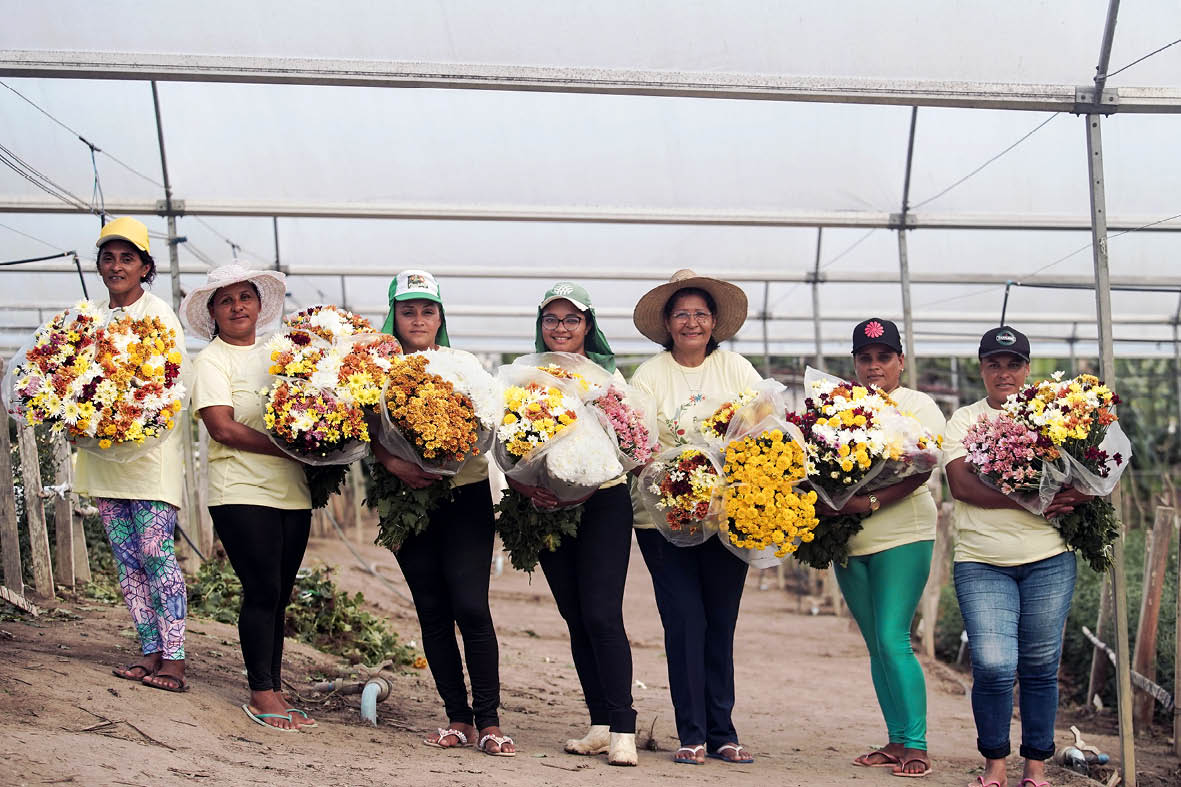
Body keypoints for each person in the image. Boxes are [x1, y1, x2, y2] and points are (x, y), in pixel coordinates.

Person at [372, 270, 516, 757]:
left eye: (427, 310)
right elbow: (359, 430)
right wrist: (394, 461)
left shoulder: (463, 364)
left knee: (472, 608)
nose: (418, 319)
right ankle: (458, 718)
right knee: (432, 611)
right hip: (404, 501)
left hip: (465, 495)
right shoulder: (374, 367)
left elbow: (489, 420)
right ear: (393, 314)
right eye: (407, 310)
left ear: (440, 316)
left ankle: (490, 719)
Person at [944, 326, 1091, 787]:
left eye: (1013, 364)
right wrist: (1033, 500)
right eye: (994, 364)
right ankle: (994, 764)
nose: (1003, 373)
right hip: (981, 559)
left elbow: (1093, 476)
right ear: (982, 369)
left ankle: (1036, 767)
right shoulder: (965, 421)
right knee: (991, 662)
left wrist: (1075, 493)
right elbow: (961, 485)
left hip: (1048, 556)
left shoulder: (1057, 415)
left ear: (1027, 369)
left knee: (1040, 664)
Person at [628, 269, 762, 766]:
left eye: (700, 314)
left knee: (720, 622)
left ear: (714, 322)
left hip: (728, 517)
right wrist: (677, 478)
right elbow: (638, 443)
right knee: (684, 620)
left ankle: (723, 731)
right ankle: (692, 733)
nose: (691, 322)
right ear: (667, 322)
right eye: (681, 314)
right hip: (663, 519)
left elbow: (763, 425)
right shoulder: (649, 375)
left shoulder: (736, 370)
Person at [183, 263, 317, 732]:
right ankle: (261, 692)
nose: (237, 307)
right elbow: (222, 427)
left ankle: (274, 686)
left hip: (292, 491)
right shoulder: (212, 360)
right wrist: (290, 446)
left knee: (279, 594)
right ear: (213, 313)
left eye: (245, 297)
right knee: (261, 589)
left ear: (260, 305)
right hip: (239, 489)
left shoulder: (283, 355)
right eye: (226, 300)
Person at [509, 282, 638, 766]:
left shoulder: (609, 379)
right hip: (545, 505)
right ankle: (600, 724)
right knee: (576, 618)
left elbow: (632, 443)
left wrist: (590, 483)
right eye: (551, 320)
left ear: (588, 325)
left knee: (603, 614)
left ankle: (624, 725)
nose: (561, 328)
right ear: (541, 325)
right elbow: (507, 442)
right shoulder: (523, 374)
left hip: (603, 502)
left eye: (571, 319)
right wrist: (526, 487)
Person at [818, 318, 944, 778]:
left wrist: (864, 501)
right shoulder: (837, 406)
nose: (874, 367)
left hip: (904, 534)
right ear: (854, 362)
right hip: (848, 537)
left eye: (884, 357)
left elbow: (921, 470)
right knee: (875, 644)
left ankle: (917, 744)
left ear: (900, 362)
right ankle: (894, 739)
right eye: (865, 358)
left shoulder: (918, 405)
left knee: (893, 638)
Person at [77, 217, 190, 693]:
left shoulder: (159, 315)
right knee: (126, 561)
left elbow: (168, 385)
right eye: (109, 257)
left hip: (150, 458)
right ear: (99, 265)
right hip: (104, 458)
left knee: (156, 555)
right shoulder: (89, 320)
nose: (117, 266)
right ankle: (148, 651)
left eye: (128, 258)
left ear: (146, 267)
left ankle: (176, 660)